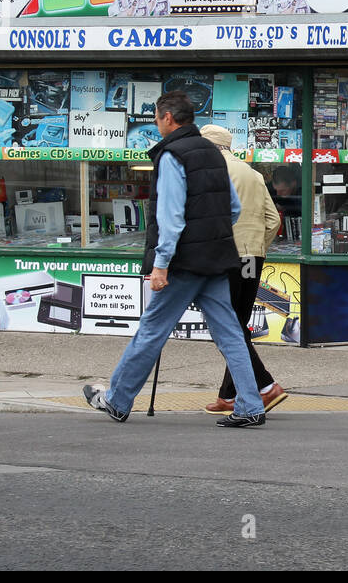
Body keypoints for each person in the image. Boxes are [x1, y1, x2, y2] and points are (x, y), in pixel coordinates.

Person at [82, 92, 268, 428]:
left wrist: (161, 264)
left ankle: (118, 399)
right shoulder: (214, 154)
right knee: (230, 333)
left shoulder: (171, 156)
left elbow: (170, 217)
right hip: (215, 260)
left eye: (156, 118)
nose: (156, 123)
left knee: (152, 330)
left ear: (168, 117)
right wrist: (212, 238)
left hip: (182, 263)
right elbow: (234, 210)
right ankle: (251, 405)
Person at [198, 124, 289, 415]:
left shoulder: (208, 171)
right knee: (236, 323)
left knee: (226, 327)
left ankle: (266, 385)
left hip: (223, 257)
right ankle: (228, 394)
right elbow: (273, 219)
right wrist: (256, 246)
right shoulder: (252, 173)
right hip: (252, 257)